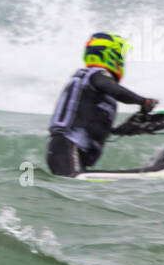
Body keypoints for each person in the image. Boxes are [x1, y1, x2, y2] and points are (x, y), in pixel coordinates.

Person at [47, 33, 158, 176]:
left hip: (73, 152)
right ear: (111, 55)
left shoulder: (94, 93)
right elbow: (114, 90)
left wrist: (133, 124)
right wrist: (143, 101)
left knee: (78, 190)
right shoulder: (93, 74)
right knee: (75, 182)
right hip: (66, 146)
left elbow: (102, 130)